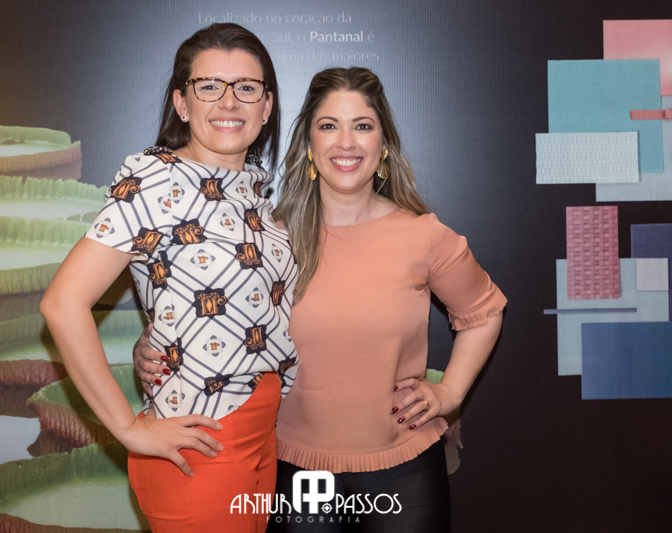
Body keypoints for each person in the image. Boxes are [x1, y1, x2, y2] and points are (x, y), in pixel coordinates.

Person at [134, 67, 506, 531]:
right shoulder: (266, 241)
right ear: (309, 146)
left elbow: (483, 313)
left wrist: (450, 392)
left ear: (383, 145)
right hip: (296, 472)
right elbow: (209, 322)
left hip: (405, 471)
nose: (346, 142)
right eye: (329, 126)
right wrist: (152, 344)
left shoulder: (423, 236)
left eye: (362, 126)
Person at [40, 23, 298, 533]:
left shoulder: (257, 195)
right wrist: (127, 427)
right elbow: (62, 304)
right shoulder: (153, 180)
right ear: (182, 102)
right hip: (199, 441)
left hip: (262, 435)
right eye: (210, 86)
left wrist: (160, 336)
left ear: (266, 106)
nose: (229, 101)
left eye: (247, 87)